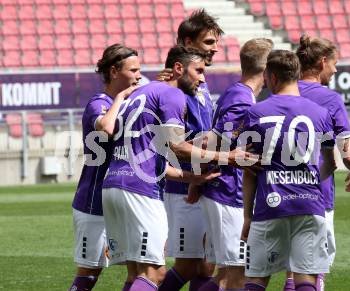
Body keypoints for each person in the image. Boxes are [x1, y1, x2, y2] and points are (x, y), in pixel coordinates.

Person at [101, 46, 256, 291]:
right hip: (139, 190)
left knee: (137, 275)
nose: (203, 78)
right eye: (199, 71)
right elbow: (178, 147)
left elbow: (158, 152)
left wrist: (192, 177)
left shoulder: (142, 92)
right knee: (155, 274)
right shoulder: (171, 95)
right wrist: (226, 156)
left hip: (113, 185)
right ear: (178, 68)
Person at [240, 50, 337, 291]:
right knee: (305, 278)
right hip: (309, 204)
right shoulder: (321, 114)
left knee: (257, 278)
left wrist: (247, 216)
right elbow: (331, 163)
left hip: (270, 205)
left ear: (271, 77)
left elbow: (249, 169)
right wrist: (311, 180)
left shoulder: (255, 113)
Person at [182, 38, 273, 291]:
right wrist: (197, 180)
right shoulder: (242, 98)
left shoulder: (236, 93)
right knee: (235, 274)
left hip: (223, 190)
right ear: (266, 69)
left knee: (225, 274)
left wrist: (197, 181)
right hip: (227, 191)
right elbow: (214, 140)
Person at [282, 34, 350, 291]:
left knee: (292, 272)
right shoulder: (330, 99)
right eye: (334, 63)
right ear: (322, 62)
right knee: (314, 271)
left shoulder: (281, 91)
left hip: (281, 189)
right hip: (317, 192)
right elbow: (347, 152)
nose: (336, 69)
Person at [159, 9, 224, 291]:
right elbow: (172, 140)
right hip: (183, 186)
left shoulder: (200, 84)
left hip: (201, 180)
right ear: (187, 42)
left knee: (206, 265)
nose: (215, 48)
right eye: (208, 42)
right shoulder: (173, 85)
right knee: (187, 265)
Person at [69, 44, 141, 291]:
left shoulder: (131, 104)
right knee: (90, 272)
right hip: (93, 203)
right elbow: (107, 127)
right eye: (133, 70)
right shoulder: (98, 103)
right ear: (114, 72)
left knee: (140, 269)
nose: (139, 75)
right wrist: (121, 97)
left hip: (120, 201)